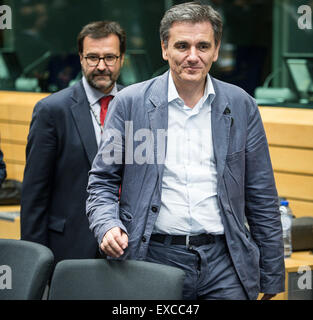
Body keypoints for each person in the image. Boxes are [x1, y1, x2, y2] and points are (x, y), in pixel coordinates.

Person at [86, 3, 285, 300]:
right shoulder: (131, 104)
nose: (193, 56)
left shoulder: (241, 106)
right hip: (153, 259)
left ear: (216, 50)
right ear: (165, 49)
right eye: (182, 46)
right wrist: (107, 225)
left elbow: (262, 196)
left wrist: (271, 276)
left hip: (225, 264)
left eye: (203, 46)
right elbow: (102, 182)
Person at [21, 21, 126, 264]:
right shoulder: (52, 110)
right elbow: (35, 195)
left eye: (109, 57)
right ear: (80, 58)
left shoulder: (138, 105)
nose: (101, 66)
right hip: (70, 249)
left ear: (122, 59)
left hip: (126, 246)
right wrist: (35, 263)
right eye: (92, 57)